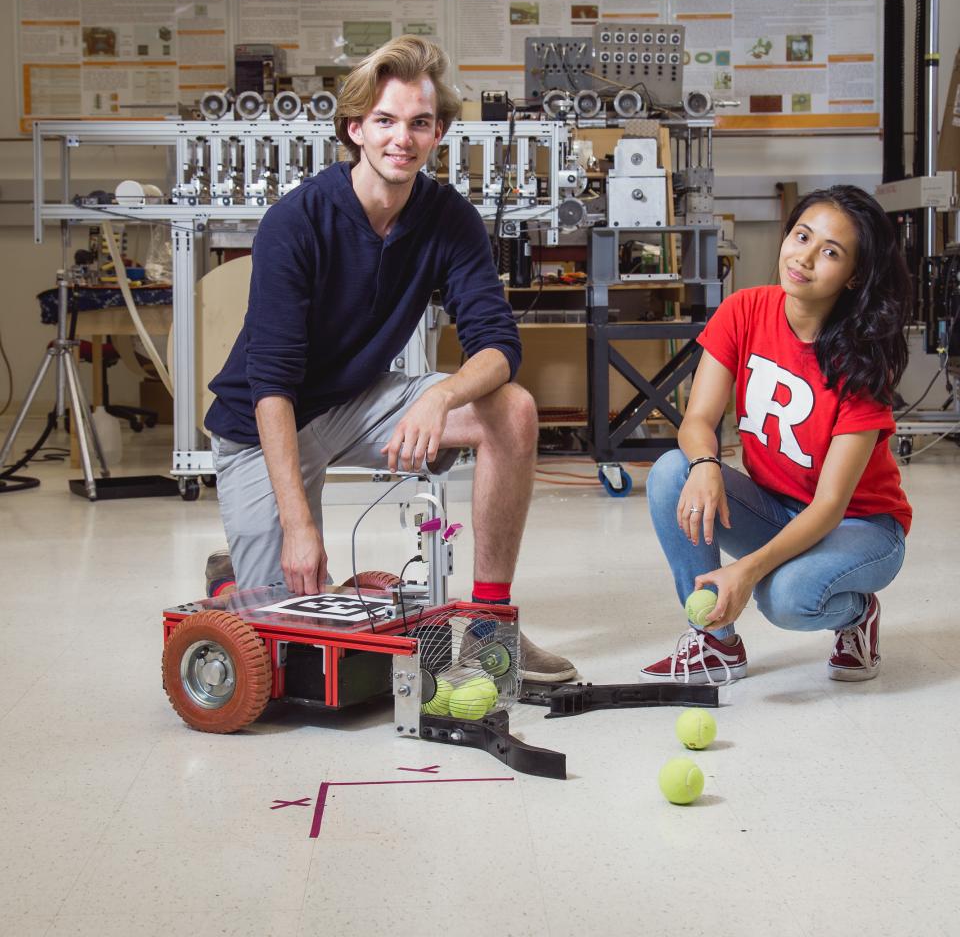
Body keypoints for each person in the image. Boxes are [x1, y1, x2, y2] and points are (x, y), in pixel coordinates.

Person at [204, 35, 575, 683]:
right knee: (283, 665)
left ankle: (490, 634)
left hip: (358, 402)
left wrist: (440, 396)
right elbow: (271, 385)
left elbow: (498, 343)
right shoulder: (297, 222)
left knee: (510, 411)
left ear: (437, 134)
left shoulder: (448, 219)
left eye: (419, 123)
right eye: (385, 121)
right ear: (355, 128)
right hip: (262, 430)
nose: (401, 138)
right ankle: (238, 571)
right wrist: (298, 527)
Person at [641, 185, 911, 684]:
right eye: (802, 236)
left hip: (861, 527)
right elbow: (697, 421)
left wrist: (746, 571)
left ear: (854, 277)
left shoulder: (863, 362)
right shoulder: (744, 311)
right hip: (777, 507)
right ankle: (714, 644)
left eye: (830, 252)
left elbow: (831, 505)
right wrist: (704, 466)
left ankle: (857, 616)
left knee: (783, 598)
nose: (804, 257)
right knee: (671, 473)